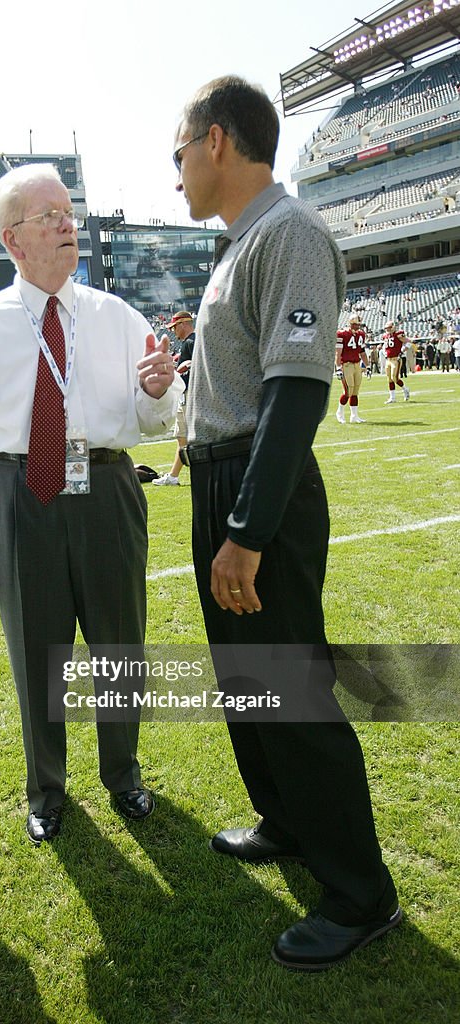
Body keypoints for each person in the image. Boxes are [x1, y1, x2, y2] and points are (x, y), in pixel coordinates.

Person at [173, 74, 399, 972]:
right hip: (219, 481)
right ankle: (287, 820)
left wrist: (248, 529)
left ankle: (360, 895)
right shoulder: (240, 242)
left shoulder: (290, 231)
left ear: (218, 140)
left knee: (292, 689)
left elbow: (298, 391)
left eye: (178, 151)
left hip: (256, 491)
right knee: (245, 681)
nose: (176, 172)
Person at [0, 164, 183, 845]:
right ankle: (45, 788)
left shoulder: (115, 316)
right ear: (11, 239)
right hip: (16, 494)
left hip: (108, 490)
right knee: (36, 650)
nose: (66, 225)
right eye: (47, 215)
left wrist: (155, 391)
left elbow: (152, 424)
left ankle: (123, 773)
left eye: (68, 213)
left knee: (119, 641)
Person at [153, 310, 196, 485]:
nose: (173, 331)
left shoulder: (191, 342)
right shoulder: (191, 342)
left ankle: (175, 476)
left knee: (186, 437)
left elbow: (197, 366)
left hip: (189, 396)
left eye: (174, 327)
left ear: (183, 324)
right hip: (187, 396)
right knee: (182, 438)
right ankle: (173, 476)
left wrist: (179, 370)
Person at [335, 314, 367, 423]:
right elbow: (338, 353)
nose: (357, 327)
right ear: (350, 323)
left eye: (358, 324)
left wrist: (367, 366)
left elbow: (362, 352)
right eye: (355, 324)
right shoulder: (342, 334)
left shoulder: (361, 334)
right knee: (348, 391)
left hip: (356, 364)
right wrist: (338, 368)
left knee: (355, 391)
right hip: (346, 365)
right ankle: (340, 412)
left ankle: (354, 416)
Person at [382, 321, 410, 403]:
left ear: (393, 327)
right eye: (387, 328)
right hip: (388, 359)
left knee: (395, 378)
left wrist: (401, 352)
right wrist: (385, 353)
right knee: (389, 379)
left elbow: (408, 342)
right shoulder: (385, 336)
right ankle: (392, 398)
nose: (388, 330)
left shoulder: (398, 334)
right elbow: (384, 346)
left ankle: (405, 389)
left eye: (389, 328)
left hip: (396, 359)